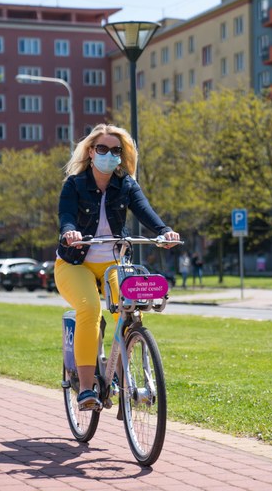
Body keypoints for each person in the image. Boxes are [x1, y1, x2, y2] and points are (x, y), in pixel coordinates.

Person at [55, 123, 180, 411]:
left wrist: (164, 231)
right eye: (102, 149)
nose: (109, 155)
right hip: (75, 263)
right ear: (90, 151)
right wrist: (70, 232)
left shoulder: (125, 185)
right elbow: (67, 216)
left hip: (114, 261)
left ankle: (122, 380)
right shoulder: (74, 185)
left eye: (115, 150)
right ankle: (86, 389)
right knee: (89, 309)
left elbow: (145, 211)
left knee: (128, 311)